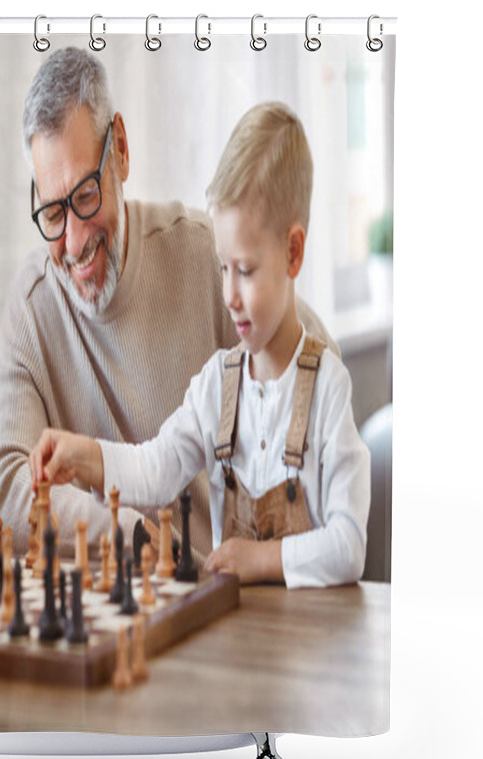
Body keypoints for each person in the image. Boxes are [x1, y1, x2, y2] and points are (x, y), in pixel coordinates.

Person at [0, 47, 336, 564]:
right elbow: (7, 491)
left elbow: (319, 365)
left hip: (234, 600)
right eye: (53, 212)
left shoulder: (204, 255)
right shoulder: (33, 306)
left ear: (120, 150)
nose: (75, 240)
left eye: (84, 195)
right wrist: (128, 533)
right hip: (130, 608)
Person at [30, 102, 370, 588]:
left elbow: (349, 547)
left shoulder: (328, 388)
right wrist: (82, 455)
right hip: (236, 642)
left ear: (293, 252)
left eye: (246, 271)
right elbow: (156, 468)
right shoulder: (218, 384)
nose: (229, 295)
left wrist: (260, 559)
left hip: (312, 645)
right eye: (223, 268)